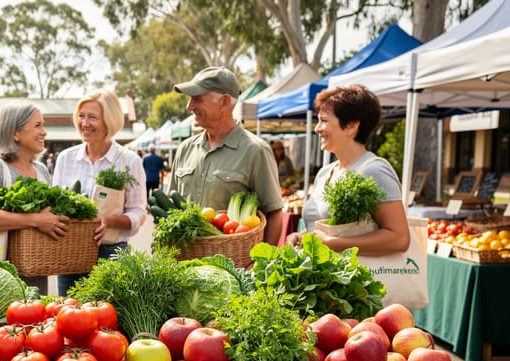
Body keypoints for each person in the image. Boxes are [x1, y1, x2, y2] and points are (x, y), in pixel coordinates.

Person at [286, 85, 410, 256]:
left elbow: (399, 238)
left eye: (324, 120)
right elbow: (337, 228)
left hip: (358, 279)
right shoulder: (324, 173)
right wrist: (301, 237)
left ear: (351, 126)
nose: (317, 128)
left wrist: (332, 244)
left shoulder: (374, 171)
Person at [169, 66, 284, 245]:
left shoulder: (256, 151)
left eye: (197, 99)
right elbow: (170, 207)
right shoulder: (185, 149)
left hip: (232, 267)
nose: (189, 106)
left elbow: (274, 213)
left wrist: (260, 263)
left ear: (224, 101)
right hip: (183, 262)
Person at [52, 89, 148, 296]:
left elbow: (139, 213)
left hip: (111, 252)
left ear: (109, 122)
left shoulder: (130, 161)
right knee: (68, 318)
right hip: (70, 253)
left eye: (92, 117)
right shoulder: (65, 159)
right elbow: (55, 205)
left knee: (108, 321)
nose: (84, 123)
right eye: (81, 116)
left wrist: (107, 220)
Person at [0, 101, 69, 294]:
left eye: (44, 124)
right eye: (37, 125)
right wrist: (35, 220)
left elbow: (48, 219)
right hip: (1, 279)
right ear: (15, 133)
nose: (44, 132)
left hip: (37, 274)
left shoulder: (41, 170)